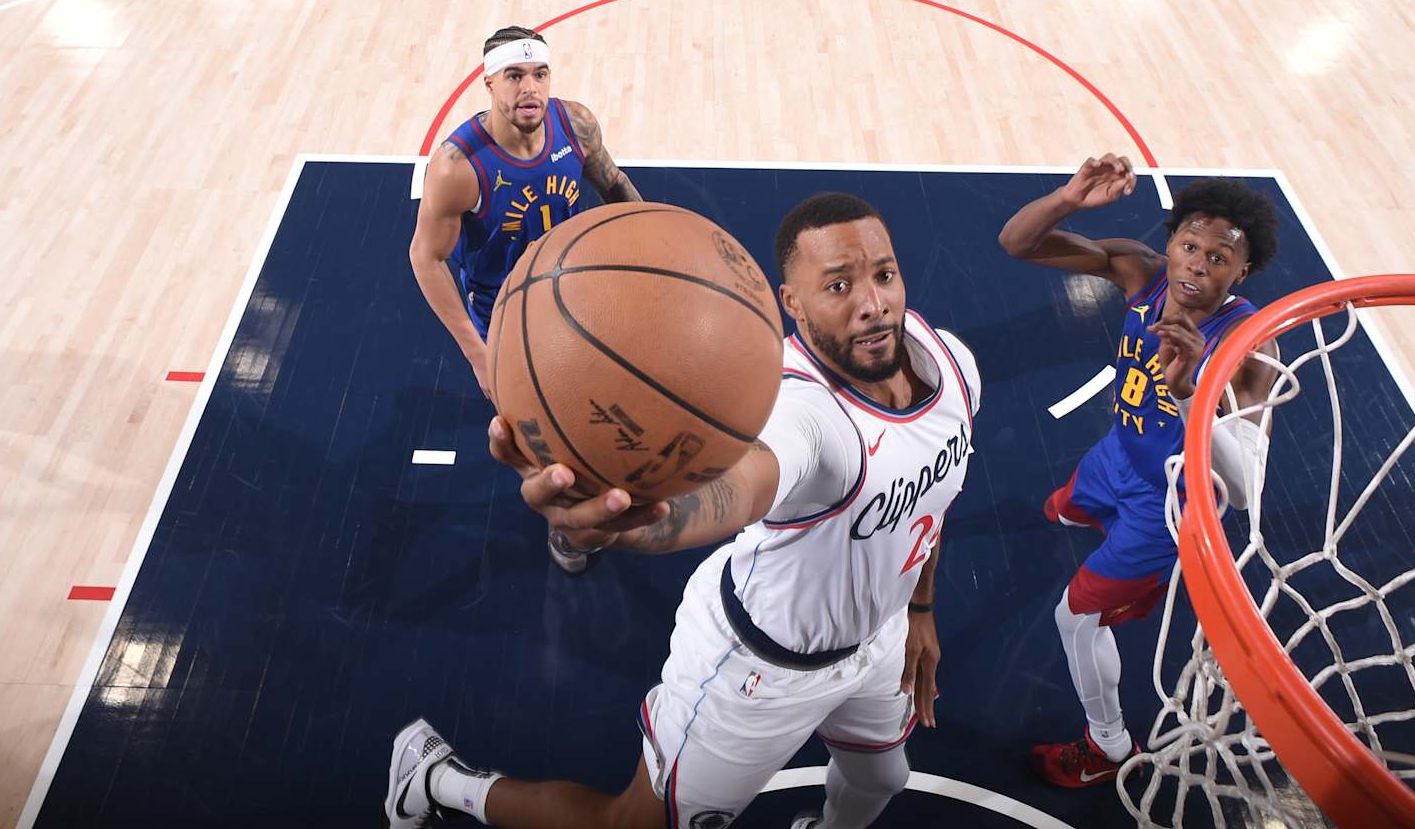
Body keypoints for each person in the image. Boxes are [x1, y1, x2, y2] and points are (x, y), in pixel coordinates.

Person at [387, 192, 982, 829]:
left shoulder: (948, 364)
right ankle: (434, 780)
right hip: (762, 670)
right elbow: (736, 491)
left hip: (877, 643)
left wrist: (919, 608)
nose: (873, 304)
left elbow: (930, 499)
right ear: (793, 306)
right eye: (839, 285)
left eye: (883, 275)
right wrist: (626, 522)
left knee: (883, 775)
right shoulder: (804, 417)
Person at [998, 158, 1281, 788]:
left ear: (1243, 272)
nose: (1197, 266)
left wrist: (1190, 393)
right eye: (1189, 245)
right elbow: (1017, 242)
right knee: (1065, 507)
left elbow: (1241, 491)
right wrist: (1068, 199)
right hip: (1118, 454)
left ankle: (1107, 744)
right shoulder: (1141, 271)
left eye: (1217, 257)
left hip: (1169, 503)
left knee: (1072, 617)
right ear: (1171, 243)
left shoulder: (1249, 348)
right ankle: (1090, 513)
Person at [409, 24, 642, 575]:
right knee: (553, 450)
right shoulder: (458, 166)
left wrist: (655, 241)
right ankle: (571, 532)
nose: (529, 89)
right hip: (506, 318)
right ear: (488, 83)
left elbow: (614, 185)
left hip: (575, 292)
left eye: (539, 74)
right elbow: (425, 258)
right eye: (514, 76)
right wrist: (478, 353)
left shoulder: (575, 124)